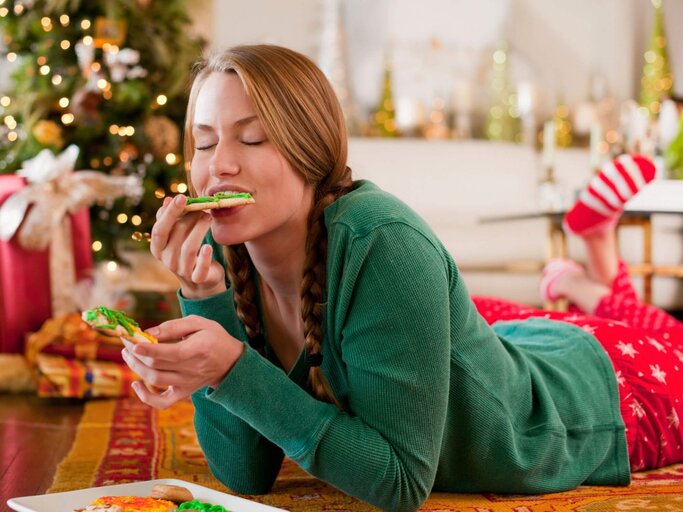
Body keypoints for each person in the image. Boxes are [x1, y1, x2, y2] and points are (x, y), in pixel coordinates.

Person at [120, 44, 683, 511]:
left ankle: (591, 270)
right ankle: (587, 282)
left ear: (310, 151)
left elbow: (398, 482)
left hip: (609, 391)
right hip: (511, 344)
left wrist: (233, 367)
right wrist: (203, 302)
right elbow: (244, 474)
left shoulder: (382, 241)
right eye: (204, 141)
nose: (218, 165)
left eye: (251, 138)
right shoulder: (225, 250)